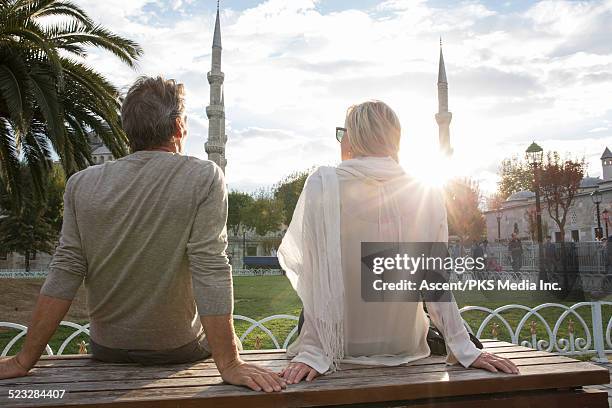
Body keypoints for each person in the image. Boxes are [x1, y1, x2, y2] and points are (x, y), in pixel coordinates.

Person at [0, 76, 285, 393]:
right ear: (178, 127)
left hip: (107, 347)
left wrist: (24, 359)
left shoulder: (80, 184)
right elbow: (211, 269)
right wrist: (230, 364)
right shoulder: (203, 177)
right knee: (233, 345)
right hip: (177, 348)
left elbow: (65, 270)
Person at [277, 100, 518, 384]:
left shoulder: (324, 183)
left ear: (353, 137)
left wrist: (313, 352)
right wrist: (463, 347)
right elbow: (434, 282)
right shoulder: (424, 191)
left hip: (337, 346)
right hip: (403, 345)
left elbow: (316, 277)